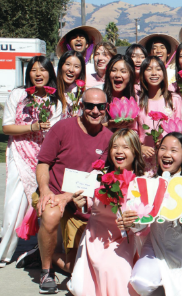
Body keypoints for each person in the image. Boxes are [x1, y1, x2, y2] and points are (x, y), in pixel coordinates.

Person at [32, 88, 112, 294]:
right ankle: (46, 270)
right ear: (81, 107)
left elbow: (102, 177)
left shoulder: (110, 139)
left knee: (75, 268)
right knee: (49, 215)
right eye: (89, 106)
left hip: (83, 201)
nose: (95, 111)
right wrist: (44, 190)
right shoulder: (62, 128)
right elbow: (43, 162)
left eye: (100, 106)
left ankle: (47, 253)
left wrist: (69, 196)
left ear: (106, 109)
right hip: (54, 190)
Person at [128, 133, 182, 296]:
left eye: (174, 150)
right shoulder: (148, 182)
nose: (166, 154)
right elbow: (139, 225)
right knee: (140, 281)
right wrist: (130, 219)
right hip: (156, 247)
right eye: (163, 149)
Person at [67, 129, 145, 296]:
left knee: (114, 275)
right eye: (114, 146)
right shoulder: (97, 176)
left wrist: (135, 221)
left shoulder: (142, 182)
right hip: (94, 239)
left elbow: (145, 222)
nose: (119, 151)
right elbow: (85, 205)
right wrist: (79, 202)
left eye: (125, 147)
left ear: (135, 151)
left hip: (123, 241)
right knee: (81, 289)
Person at [0, 57, 61, 268]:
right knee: (13, 204)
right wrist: (33, 127)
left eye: (42, 70)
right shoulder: (19, 94)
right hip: (18, 153)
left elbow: (52, 134)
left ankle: (41, 248)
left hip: (41, 158)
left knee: (38, 205)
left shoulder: (56, 101)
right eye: (33, 70)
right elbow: (7, 127)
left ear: (49, 73)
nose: (38, 74)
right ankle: (4, 252)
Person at [136, 56, 182, 174]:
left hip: (170, 159)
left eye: (158, 69)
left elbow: (180, 131)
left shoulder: (174, 100)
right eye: (148, 69)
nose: (154, 73)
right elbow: (132, 132)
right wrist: (140, 148)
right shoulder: (137, 102)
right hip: (145, 160)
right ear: (142, 74)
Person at [55, 50, 86, 118]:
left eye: (76, 66)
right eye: (68, 64)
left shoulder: (84, 96)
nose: (71, 70)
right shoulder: (52, 92)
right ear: (61, 66)